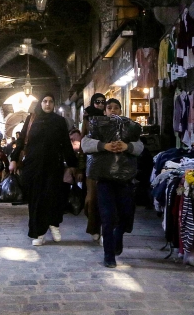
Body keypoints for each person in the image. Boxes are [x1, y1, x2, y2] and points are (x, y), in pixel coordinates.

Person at [9, 94, 77, 246]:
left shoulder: (59, 121)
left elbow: (66, 144)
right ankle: (38, 233)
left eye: (50, 101)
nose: (47, 104)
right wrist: (13, 159)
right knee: (36, 199)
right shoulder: (32, 119)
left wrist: (73, 165)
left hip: (54, 165)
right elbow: (21, 140)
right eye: (45, 101)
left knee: (53, 196)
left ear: (54, 104)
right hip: (33, 166)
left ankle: (53, 224)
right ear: (40, 103)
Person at [82, 98, 143, 268]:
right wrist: (104, 146)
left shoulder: (130, 127)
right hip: (105, 180)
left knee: (125, 216)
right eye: (109, 108)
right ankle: (109, 256)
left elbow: (139, 147)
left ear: (121, 110)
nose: (113, 110)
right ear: (105, 111)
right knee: (107, 217)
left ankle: (118, 238)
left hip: (125, 180)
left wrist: (127, 146)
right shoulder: (97, 126)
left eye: (116, 108)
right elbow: (85, 144)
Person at [81, 94, 106, 242]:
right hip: (91, 162)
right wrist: (80, 167)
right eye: (97, 102)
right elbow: (83, 140)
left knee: (105, 197)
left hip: (107, 161)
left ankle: (105, 228)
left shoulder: (109, 119)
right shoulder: (87, 119)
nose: (100, 104)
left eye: (103, 102)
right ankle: (94, 227)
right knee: (92, 198)